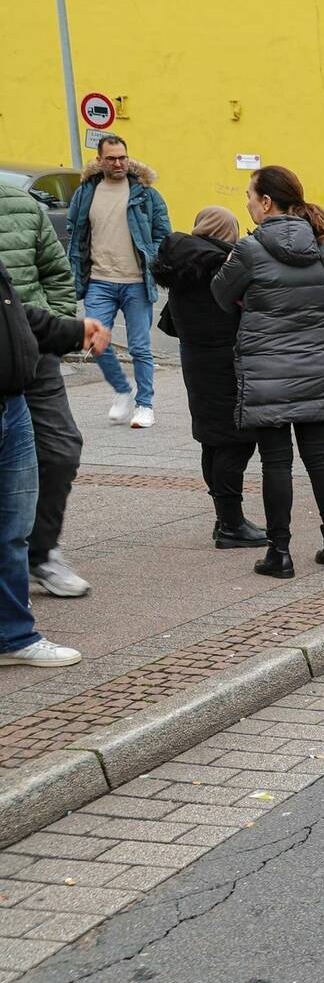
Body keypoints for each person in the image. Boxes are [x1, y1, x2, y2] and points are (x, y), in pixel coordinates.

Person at [211, 166, 324, 579]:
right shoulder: (322, 243)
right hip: (315, 365)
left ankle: (280, 554)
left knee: (276, 462)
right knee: (319, 457)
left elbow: (220, 293)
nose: (248, 205)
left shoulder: (249, 250)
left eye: (250, 197)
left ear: (266, 202)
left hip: (267, 369)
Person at [0, 262, 109, 667]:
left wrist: (70, 330)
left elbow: (14, 311)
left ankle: (12, 637)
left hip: (12, 401)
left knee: (11, 529)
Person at [154, 207, 266, 548]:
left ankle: (225, 520)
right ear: (225, 231)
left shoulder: (180, 264)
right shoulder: (220, 265)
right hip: (224, 362)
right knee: (236, 439)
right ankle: (231, 524)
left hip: (196, 361)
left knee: (213, 439)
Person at [0, 181, 90, 598]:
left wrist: (58, 328)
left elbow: (56, 272)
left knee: (61, 449)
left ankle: (40, 554)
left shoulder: (21, 205)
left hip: (32, 352)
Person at [65, 135, 170, 429]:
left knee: (139, 348)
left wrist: (152, 260)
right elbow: (75, 230)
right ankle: (123, 391)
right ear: (100, 161)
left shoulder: (146, 193)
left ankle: (145, 405)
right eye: (111, 158)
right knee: (95, 341)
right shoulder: (86, 192)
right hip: (99, 279)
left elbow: (163, 233)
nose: (119, 163)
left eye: (123, 157)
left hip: (136, 281)